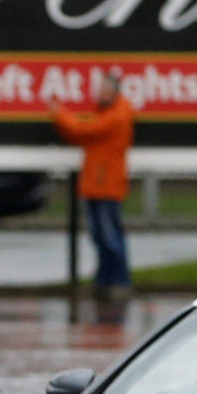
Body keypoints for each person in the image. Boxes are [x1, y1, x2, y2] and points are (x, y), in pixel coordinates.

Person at [52, 71, 137, 296]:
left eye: (103, 90)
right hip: (95, 184)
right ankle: (104, 281)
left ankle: (119, 281)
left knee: (110, 237)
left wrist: (59, 113)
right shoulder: (104, 113)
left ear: (114, 92)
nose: (98, 94)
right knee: (99, 238)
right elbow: (79, 133)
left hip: (107, 186)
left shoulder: (117, 115)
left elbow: (83, 129)